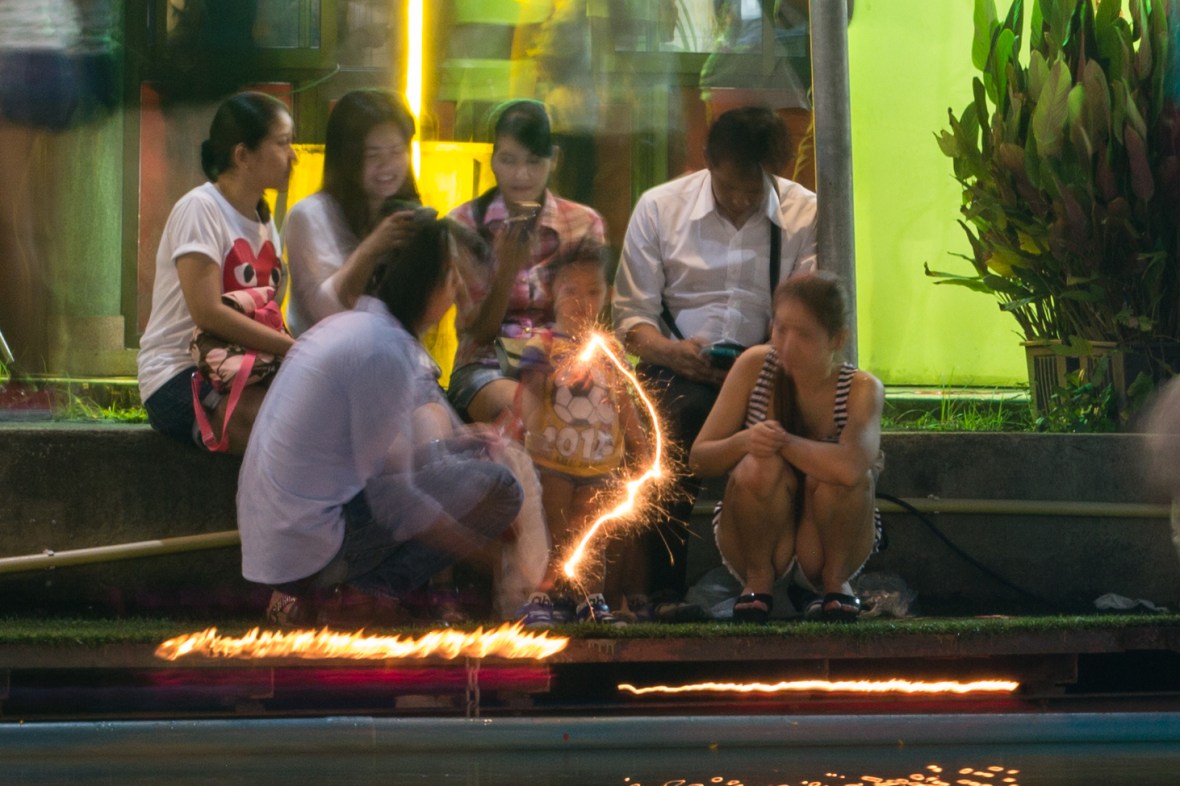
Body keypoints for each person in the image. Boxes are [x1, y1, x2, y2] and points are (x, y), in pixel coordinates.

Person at [238, 217, 524, 629]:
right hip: (310, 547)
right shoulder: (384, 348)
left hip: (279, 542)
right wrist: (487, 553)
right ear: (427, 285)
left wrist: (454, 447)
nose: (455, 297)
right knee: (500, 489)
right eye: (451, 283)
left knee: (463, 467)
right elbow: (395, 501)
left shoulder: (357, 327)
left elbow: (382, 461)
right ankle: (365, 594)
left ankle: (325, 594)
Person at [612, 105, 817, 612]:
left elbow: (811, 312)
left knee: (792, 436)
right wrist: (671, 352)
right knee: (669, 424)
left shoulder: (803, 212)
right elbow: (631, 318)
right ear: (707, 163)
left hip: (772, 369)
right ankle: (665, 587)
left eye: (756, 189)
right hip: (677, 366)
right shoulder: (660, 208)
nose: (745, 200)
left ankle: (789, 581)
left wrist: (763, 360)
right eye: (731, 189)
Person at [689, 272, 883, 623]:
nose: (788, 346)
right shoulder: (753, 365)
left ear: (837, 339)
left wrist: (783, 442)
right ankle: (758, 579)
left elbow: (851, 467)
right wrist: (745, 440)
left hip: (821, 547)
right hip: (759, 541)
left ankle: (835, 582)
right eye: (781, 330)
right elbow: (699, 458)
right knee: (757, 466)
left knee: (842, 478)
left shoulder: (862, 388)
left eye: (805, 335)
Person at [137, 91, 297, 453]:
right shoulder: (200, 208)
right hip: (178, 375)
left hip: (240, 369)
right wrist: (293, 348)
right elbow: (207, 312)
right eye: (282, 143)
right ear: (243, 155)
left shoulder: (263, 221)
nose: (293, 155)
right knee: (286, 434)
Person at [515, 241, 650, 626]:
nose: (582, 301)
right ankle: (544, 595)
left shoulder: (612, 351)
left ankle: (590, 600)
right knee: (556, 529)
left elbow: (624, 403)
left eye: (592, 291)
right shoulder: (542, 346)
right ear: (552, 293)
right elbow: (529, 398)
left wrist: (640, 447)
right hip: (553, 460)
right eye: (571, 290)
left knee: (591, 535)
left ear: (607, 294)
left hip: (599, 463)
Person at [447, 99, 606, 425]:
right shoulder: (463, 224)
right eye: (508, 160)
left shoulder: (582, 223)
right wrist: (506, 267)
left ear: (554, 160)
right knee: (525, 410)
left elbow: (585, 316)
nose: (521, 175)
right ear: (492, 159)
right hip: (485, 366)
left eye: (534, 162)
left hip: (560, 360)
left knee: (594, 403)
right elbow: (477, 332)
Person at [283, 89, 421, 338]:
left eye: (397, 151)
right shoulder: (308, 216)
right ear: (347, 158)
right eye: (373, 155)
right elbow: (326, 313)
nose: (388, 165)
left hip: (386, 359)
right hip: (326, 365)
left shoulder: (404, 214)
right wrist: (371, 249)